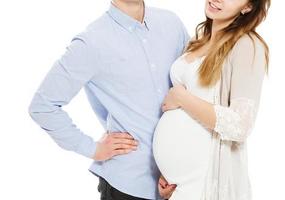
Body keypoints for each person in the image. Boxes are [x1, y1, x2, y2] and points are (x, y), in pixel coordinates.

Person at [28, 0, 189, 199]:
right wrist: (92, 149)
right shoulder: (91, 42)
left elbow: (193, 86)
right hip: (128, 186)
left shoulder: (172, 23)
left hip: (179, 179)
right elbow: (43, 106)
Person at [152, 0, 271, 199]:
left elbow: (241, 125)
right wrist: (168, 171)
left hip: (204, 182)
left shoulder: (247, 45)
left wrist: (182, 98)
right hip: (178, 185)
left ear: (247, 7)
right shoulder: (199, 39)